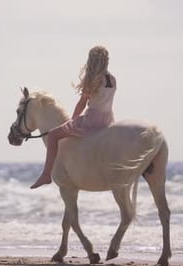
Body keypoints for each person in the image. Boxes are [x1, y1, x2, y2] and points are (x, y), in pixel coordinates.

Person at [30, 45, 117, 189]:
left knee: (52, 135)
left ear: (91, 60)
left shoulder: (93, 79)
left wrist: (73, 120)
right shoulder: (112, 79)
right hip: (108, 121)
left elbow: (82, 103)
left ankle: (46, 175)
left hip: (91, 121)